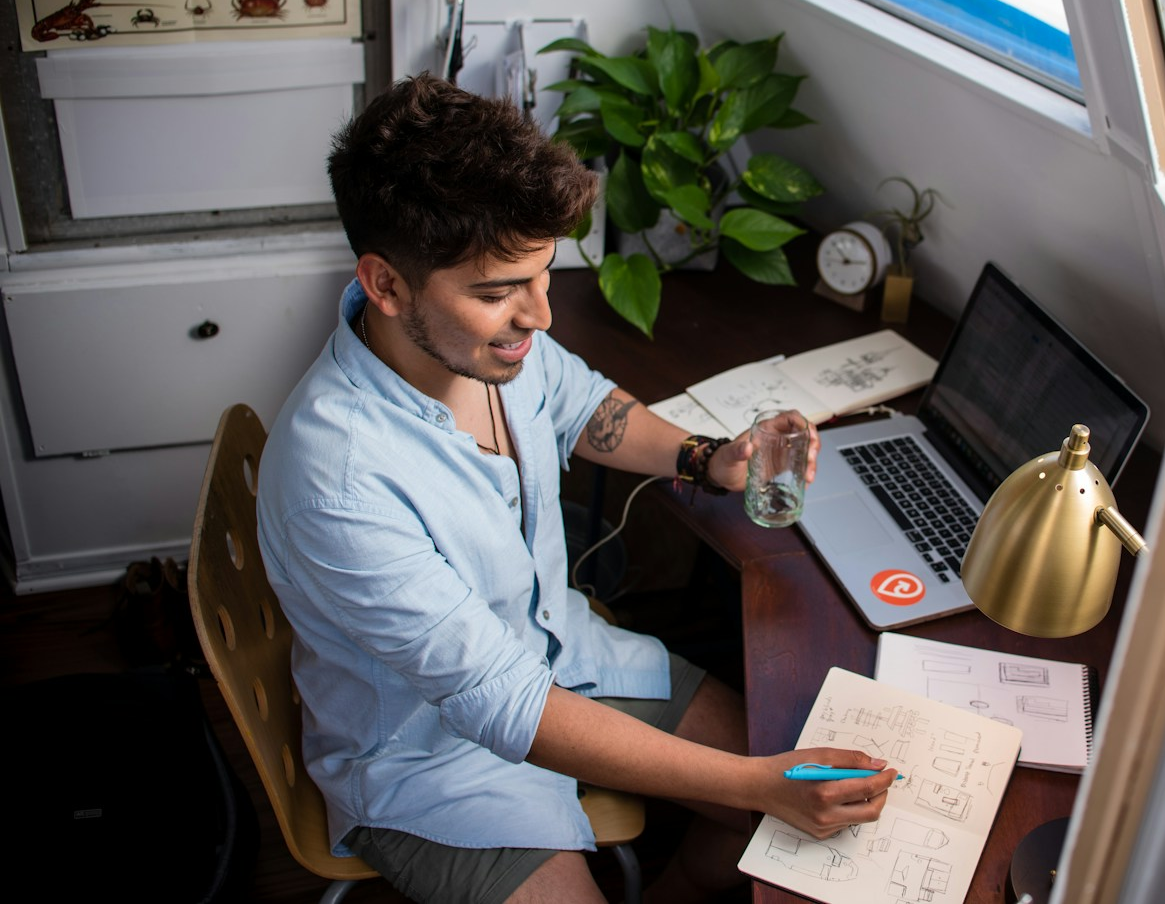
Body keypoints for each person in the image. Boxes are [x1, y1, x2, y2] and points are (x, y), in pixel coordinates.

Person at [257, 72, 896, 904]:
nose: (540, 317)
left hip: (568, 657)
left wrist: (708, 458)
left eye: (543, 275)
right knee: (765, 787)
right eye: (497, 294)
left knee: (785, 786)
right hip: (432, 763)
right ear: (384, 285)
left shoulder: (487, 345)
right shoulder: (337, 480)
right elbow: (504, 707)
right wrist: (758, 783)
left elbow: (579, 400)